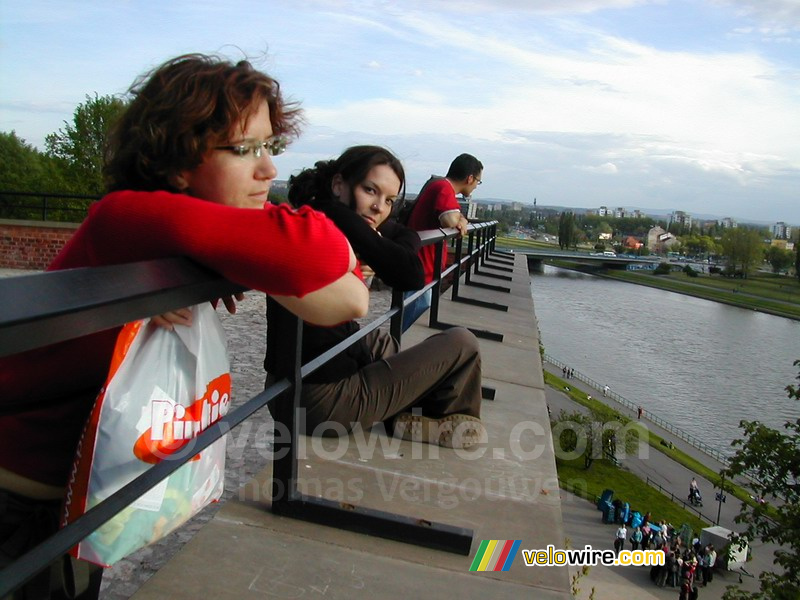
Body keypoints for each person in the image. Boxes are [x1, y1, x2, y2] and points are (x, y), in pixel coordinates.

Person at [0, 53, 368, 599]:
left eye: (271, 147)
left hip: (71, 502)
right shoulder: (129, 215)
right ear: (177, 161)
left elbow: (344, 298)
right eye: (245, 150)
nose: (268, 170)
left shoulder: (179, 237)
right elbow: (326, 266)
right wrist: (299, 231)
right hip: (15, 503)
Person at [265, 145, 485, 449]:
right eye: (371, 190)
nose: (380, 207)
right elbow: (408, 273)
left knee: (381, 342)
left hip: (287, 392)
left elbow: (404, 235)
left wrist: (375, 240)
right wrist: (376, 242)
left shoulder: (318, 216)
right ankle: (440, 418)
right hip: (321, 403)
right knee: (463, 344)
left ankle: (415, 411)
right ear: (339, 185)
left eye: (390, 200)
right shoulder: (326, 222)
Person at [401, 153, 483, 329]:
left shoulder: (441, 187)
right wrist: (461, 221)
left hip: (422, 266)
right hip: (422, 268)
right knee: (410, 319)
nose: (477, 185)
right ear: (469, 178)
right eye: (478, 181)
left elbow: (457, 218)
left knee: (411, 315)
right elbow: (452, 222)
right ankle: (389, 353)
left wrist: (461, 219)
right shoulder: (443, 188)